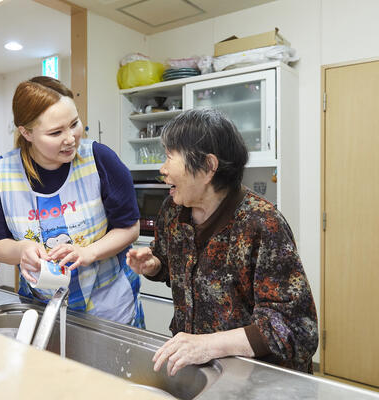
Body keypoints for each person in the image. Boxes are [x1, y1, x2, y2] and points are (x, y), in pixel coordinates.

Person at [127, 108, 318, 374]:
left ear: (207, 167)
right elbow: (174, 267)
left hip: (255, 376)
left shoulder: (261, 223)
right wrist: (155, 265)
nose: (163, 169)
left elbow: (297, 329)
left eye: (170, 157)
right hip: (199, 368)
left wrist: (209, 345)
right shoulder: (173, 210)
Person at [0, 76, 144, 327]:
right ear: (26, 132)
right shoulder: (1, 174)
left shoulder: (99, 159)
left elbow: (130, 227)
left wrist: (89, 252)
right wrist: (22, 250)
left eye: (74, 124)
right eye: (56, 132)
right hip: (42, 310)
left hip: (109, 311)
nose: (70, 138)